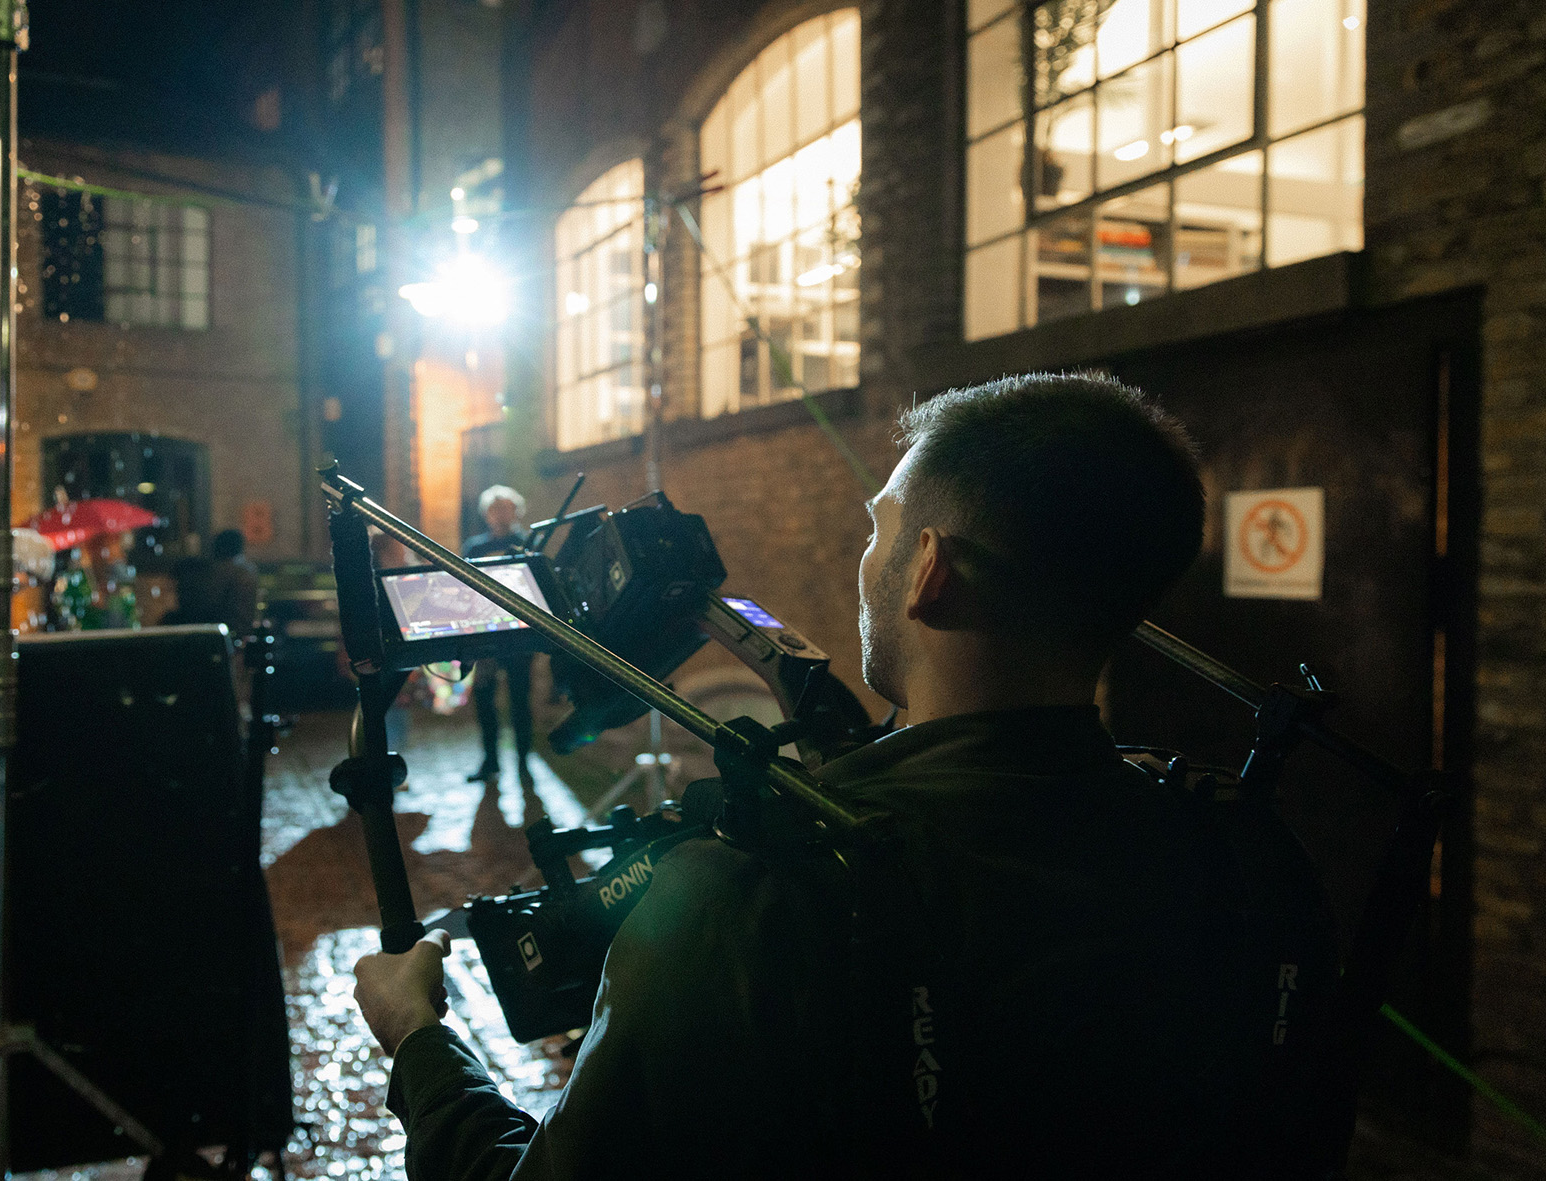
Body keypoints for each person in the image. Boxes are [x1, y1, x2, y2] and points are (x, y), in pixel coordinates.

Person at [351, 374, 1335, 1177]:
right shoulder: (1234, 852)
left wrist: (419, 1044)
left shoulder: (742, 891)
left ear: (926, 572)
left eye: (878, 530)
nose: (863, 555)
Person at [462, 486, 536, 786]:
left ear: (516, 511)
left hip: (519, 634)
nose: (501, 515)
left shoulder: (527, 543)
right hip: (486, 634)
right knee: (484, 698)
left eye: (506, 508)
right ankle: (490, 760)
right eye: (496, 509)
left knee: (520, 699)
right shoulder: (474, 548)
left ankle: (523, 762)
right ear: (487, 514)